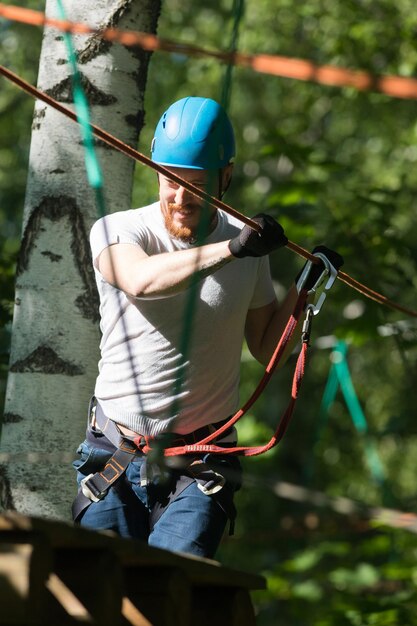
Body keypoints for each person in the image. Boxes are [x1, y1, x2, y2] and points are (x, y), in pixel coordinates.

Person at [72, 96, 342, 559]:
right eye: (171, 181)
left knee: (172, 592)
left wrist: (305, 291)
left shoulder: (246, 245)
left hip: (201, 465)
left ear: (226, 177)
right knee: (99, 595)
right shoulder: (118, 230)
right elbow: (141, 280)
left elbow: (264, 346)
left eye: (196, 185)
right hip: (114, 458)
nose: (180, 198)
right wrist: (234, 249)